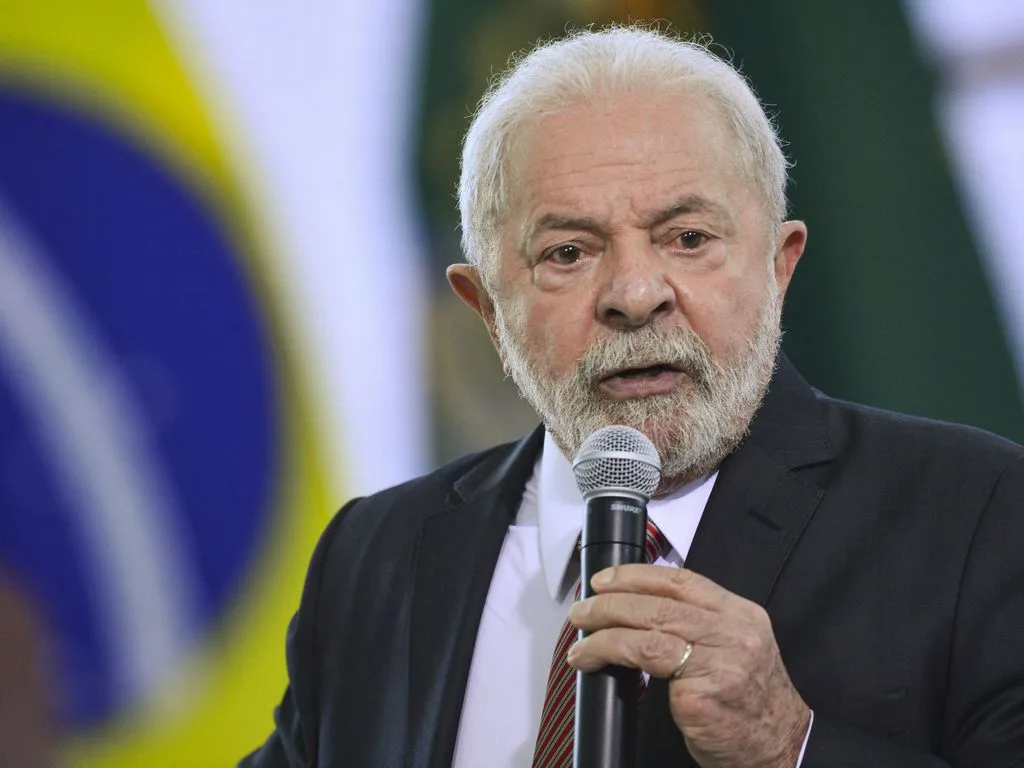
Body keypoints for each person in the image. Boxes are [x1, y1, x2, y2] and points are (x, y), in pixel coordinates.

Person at [240, 25, 1024, 768]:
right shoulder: (377, 555)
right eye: (569, 252)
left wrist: (793, 749)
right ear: (484, 311)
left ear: (779, 268)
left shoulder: (978, 515)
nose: (636, 293)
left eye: (688, 238)